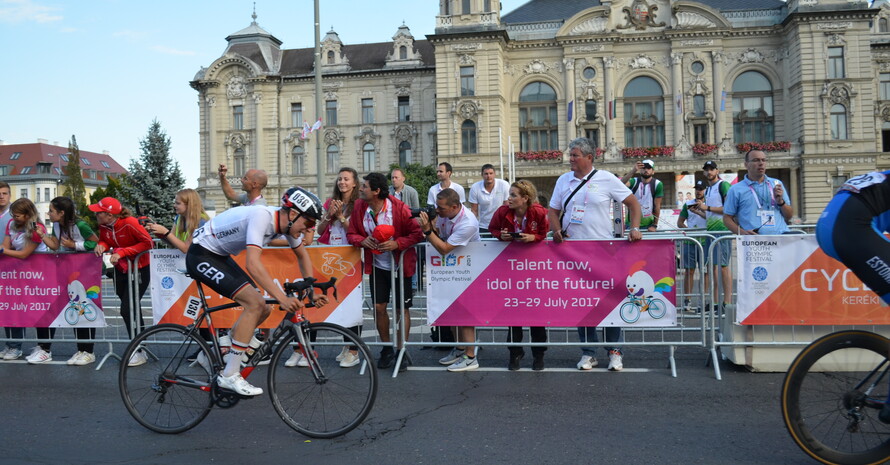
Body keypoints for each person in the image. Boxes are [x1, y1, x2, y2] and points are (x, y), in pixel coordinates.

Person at [184, 187, 327, 396]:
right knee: (255, 304)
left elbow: (302, 255)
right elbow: (252, 263)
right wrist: (281, 298)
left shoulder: (287, 226)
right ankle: (229, 374)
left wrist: (311, 289)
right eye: (309, 223)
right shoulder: (262, 216)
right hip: (200, 254)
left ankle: (215, 353)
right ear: (293, 214)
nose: (309, 229)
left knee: (264, 310)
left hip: (219, 255)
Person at [548, 137, 642, 372]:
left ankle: (615, 352)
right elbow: (553, 210)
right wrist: (556, 230)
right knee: (584, 305)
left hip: (605, 253)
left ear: (589, 157)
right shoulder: (563, 180)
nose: (570, 159)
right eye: (570, 155)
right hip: (574, 253)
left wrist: (635, 228)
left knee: (609, 303)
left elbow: (633, 204)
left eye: (575, 155)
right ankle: (588, 353)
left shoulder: (607, 179)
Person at [348, 173, 423, 371]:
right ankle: (386, 348)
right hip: (377, 266)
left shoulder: (399, 208)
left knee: (401, 309)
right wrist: (361, 240)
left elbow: (416, 233)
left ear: (376, 191)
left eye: (364, 186)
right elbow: (351, 233)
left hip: (400, 266)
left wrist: (397, 243)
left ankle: (401, 350)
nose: (361, 189)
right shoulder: (359, 207)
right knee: (379, 308)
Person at [488, 180, 550, 370]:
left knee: (536, 312)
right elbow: (493, 229)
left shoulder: (539, 212)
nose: (509, 198)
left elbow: (546, 233)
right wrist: (502, 235)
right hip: (511, 268)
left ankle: (538, 354)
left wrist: (534, 237)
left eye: (514, 195)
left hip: (535, 269)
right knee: (513, 311)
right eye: (510, 194)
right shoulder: (502, 211)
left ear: (525, 198)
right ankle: (515, 352)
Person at [419, 188, 482, 372]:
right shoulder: (446, 215)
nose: (437, 211)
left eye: (441, 208)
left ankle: (471, 357)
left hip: (470, 269)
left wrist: (427, 231)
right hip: (454, 268)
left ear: (454, 206)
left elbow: (444, 248)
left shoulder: (468, 222)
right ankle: (460, 348)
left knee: (466, 314)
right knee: (453, 311)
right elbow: (440, 237)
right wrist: (433, 226)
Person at [33, 197, 100, 365]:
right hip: (69, 270)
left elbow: (96, 243)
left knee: (83, 307)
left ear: (62, 213)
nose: (48, 213)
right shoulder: (56, 225)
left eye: (51, 210)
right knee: (72, 307)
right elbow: (55, 245)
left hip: (86, 270)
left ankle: (87, 351)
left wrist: (74, 244)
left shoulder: (81, 225)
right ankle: (79, 350)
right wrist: (42, 236)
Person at [306, 167, 362, 368]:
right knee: (336, 300)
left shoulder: (359, 204)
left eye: (346, 179)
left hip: (352, 257)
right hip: (331, 256)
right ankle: (346, 346)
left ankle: (353, 349)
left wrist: (341, 217)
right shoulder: (330, 203)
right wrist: (329, 216)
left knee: (351, 302)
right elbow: (320, 230)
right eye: (340, 179)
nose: (342, 182)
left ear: (354, 183)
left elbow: (356, 231)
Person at [90, 197, 154, 365]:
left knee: (127, 309)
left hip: (140, 269)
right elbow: (106, 240)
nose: (95, 214)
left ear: (109, 215)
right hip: (120, 270)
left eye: (99, 212)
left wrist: (123, 252)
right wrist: (102, 245)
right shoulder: (104, 225)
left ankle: (139, 349)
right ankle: (140, 346)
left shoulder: (130, 222)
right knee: (132, 310)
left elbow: (148, 243)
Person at [0, 198, 48, 361]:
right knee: (11, 307)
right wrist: (3, 249)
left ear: (28, 215)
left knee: (36, 310)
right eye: (12, 215)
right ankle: (12, 344)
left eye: (18, 216)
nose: (14, 218)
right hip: (15, 273)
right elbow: (7, 246)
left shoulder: (38, 229)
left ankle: (42, 347)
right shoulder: (11, 224)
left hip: (35, 274)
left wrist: (2, 250)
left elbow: (24, 254)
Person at [723, 149, 793, 235]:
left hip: (780, 237)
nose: (761, 163)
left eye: (763, 160)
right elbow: (727, 218)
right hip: (755, 242)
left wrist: (781, 202)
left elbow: (789, 216)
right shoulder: (735, 189)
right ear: (746, 165)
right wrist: (742, 233)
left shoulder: (776, 184)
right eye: (756, 160)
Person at [701, 160, 733, 313]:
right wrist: (700, 211)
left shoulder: (723, 185)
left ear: (717, 170)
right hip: (711, 231)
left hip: (722, 230)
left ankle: (727, 302)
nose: (709, 172)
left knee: (724, 267)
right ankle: (715, 303)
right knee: (712, 268)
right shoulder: (708, 190)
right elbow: (710, 212)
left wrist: (706, 207)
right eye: (706, 170)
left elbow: (728, 208)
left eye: (712, 169)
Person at [146, 189, 210, 254]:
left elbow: (186, 249)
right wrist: (159, 233)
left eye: (178, 203)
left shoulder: (201, 221)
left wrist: (165, 232)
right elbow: (173, 243)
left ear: (189, 205)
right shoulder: (179, 218)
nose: (174, 206)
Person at [677, 181, 707, 311]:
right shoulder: (688, 204)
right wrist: (687, 231)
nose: (698, 191)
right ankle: (687, 300)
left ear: (706, 190)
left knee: (705, 272)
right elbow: (680, 222)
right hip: (691, 241)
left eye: (701, 189)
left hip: (706, 241)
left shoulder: (709, 205)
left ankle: (703, 301)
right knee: (689, 271)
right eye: (697, 189)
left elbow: (712, 218)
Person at [621, 158, 663, 232]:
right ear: (640, 170)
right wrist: (633, 170)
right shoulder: (634, 181)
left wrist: (654, 225)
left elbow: (657, 206)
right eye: (644, 168)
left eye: (649, 168)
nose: (646, 170)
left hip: (648, 225)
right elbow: (620, 184)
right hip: (631, 224)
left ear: (653, 172)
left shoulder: (657, 184)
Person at [469, 164, 510, 237]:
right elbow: (474, 210)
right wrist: (472, 227)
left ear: (494, 174)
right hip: (483, 226)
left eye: (491, 173)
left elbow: (507, 206)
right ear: (482, 175)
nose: (488, 176)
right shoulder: (475, 187)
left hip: (501, 225)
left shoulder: (504, 185)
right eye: (486, 174)